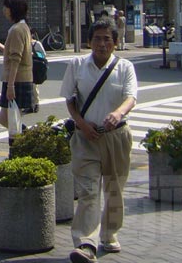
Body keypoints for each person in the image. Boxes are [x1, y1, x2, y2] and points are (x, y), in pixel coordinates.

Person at [61, 18, 137, 263]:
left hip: (117, 137)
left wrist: (118, 113)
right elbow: (70, 99)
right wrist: (81, 123)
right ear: (89, 41)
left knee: (114, 190)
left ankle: (109, 234)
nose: (101, 44)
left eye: (107, 39)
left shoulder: (125, 67)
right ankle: (86, 243)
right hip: (86, 137)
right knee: (88, 192)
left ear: (115, 43)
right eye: (97, 38)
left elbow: (131, 97)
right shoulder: (77, 65)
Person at [0, 0, 34, 133]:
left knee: (7, 119)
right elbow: (19, 53)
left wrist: (10, 85)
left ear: (13, 9)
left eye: (6, 6)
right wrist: (0, 46)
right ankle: (24, 138)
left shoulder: (17, 29)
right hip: (21, 79)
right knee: (8, 119)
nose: (4, 9)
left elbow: (16, 58)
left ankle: (26, 139)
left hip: (16, 80)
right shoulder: (23, 27)